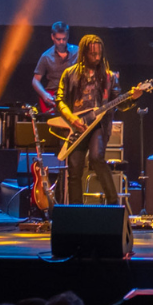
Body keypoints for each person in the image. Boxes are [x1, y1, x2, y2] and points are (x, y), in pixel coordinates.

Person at [55, 34, 119, 205]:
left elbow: (119, 102)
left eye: (99, 54)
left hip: (98, 126)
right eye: (93, 54)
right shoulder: (69, 74)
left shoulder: (109, 77)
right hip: (76, 127)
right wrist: (72, 119)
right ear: (84, 53)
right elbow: (59, 99)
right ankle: (77, 211)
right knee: (74, 170)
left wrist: (133, 98)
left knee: (97, 158)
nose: (97, 58)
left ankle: (114, 203)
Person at [31, 21, 78, 114]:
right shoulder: (46, 56)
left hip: (73, 95)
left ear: (68, 36)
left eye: (64, 39)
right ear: (52, 37)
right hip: (54, 97)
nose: (61, 42)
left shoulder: (78, 52)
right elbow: (35, 80)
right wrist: (44, 95)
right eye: (58, 39)